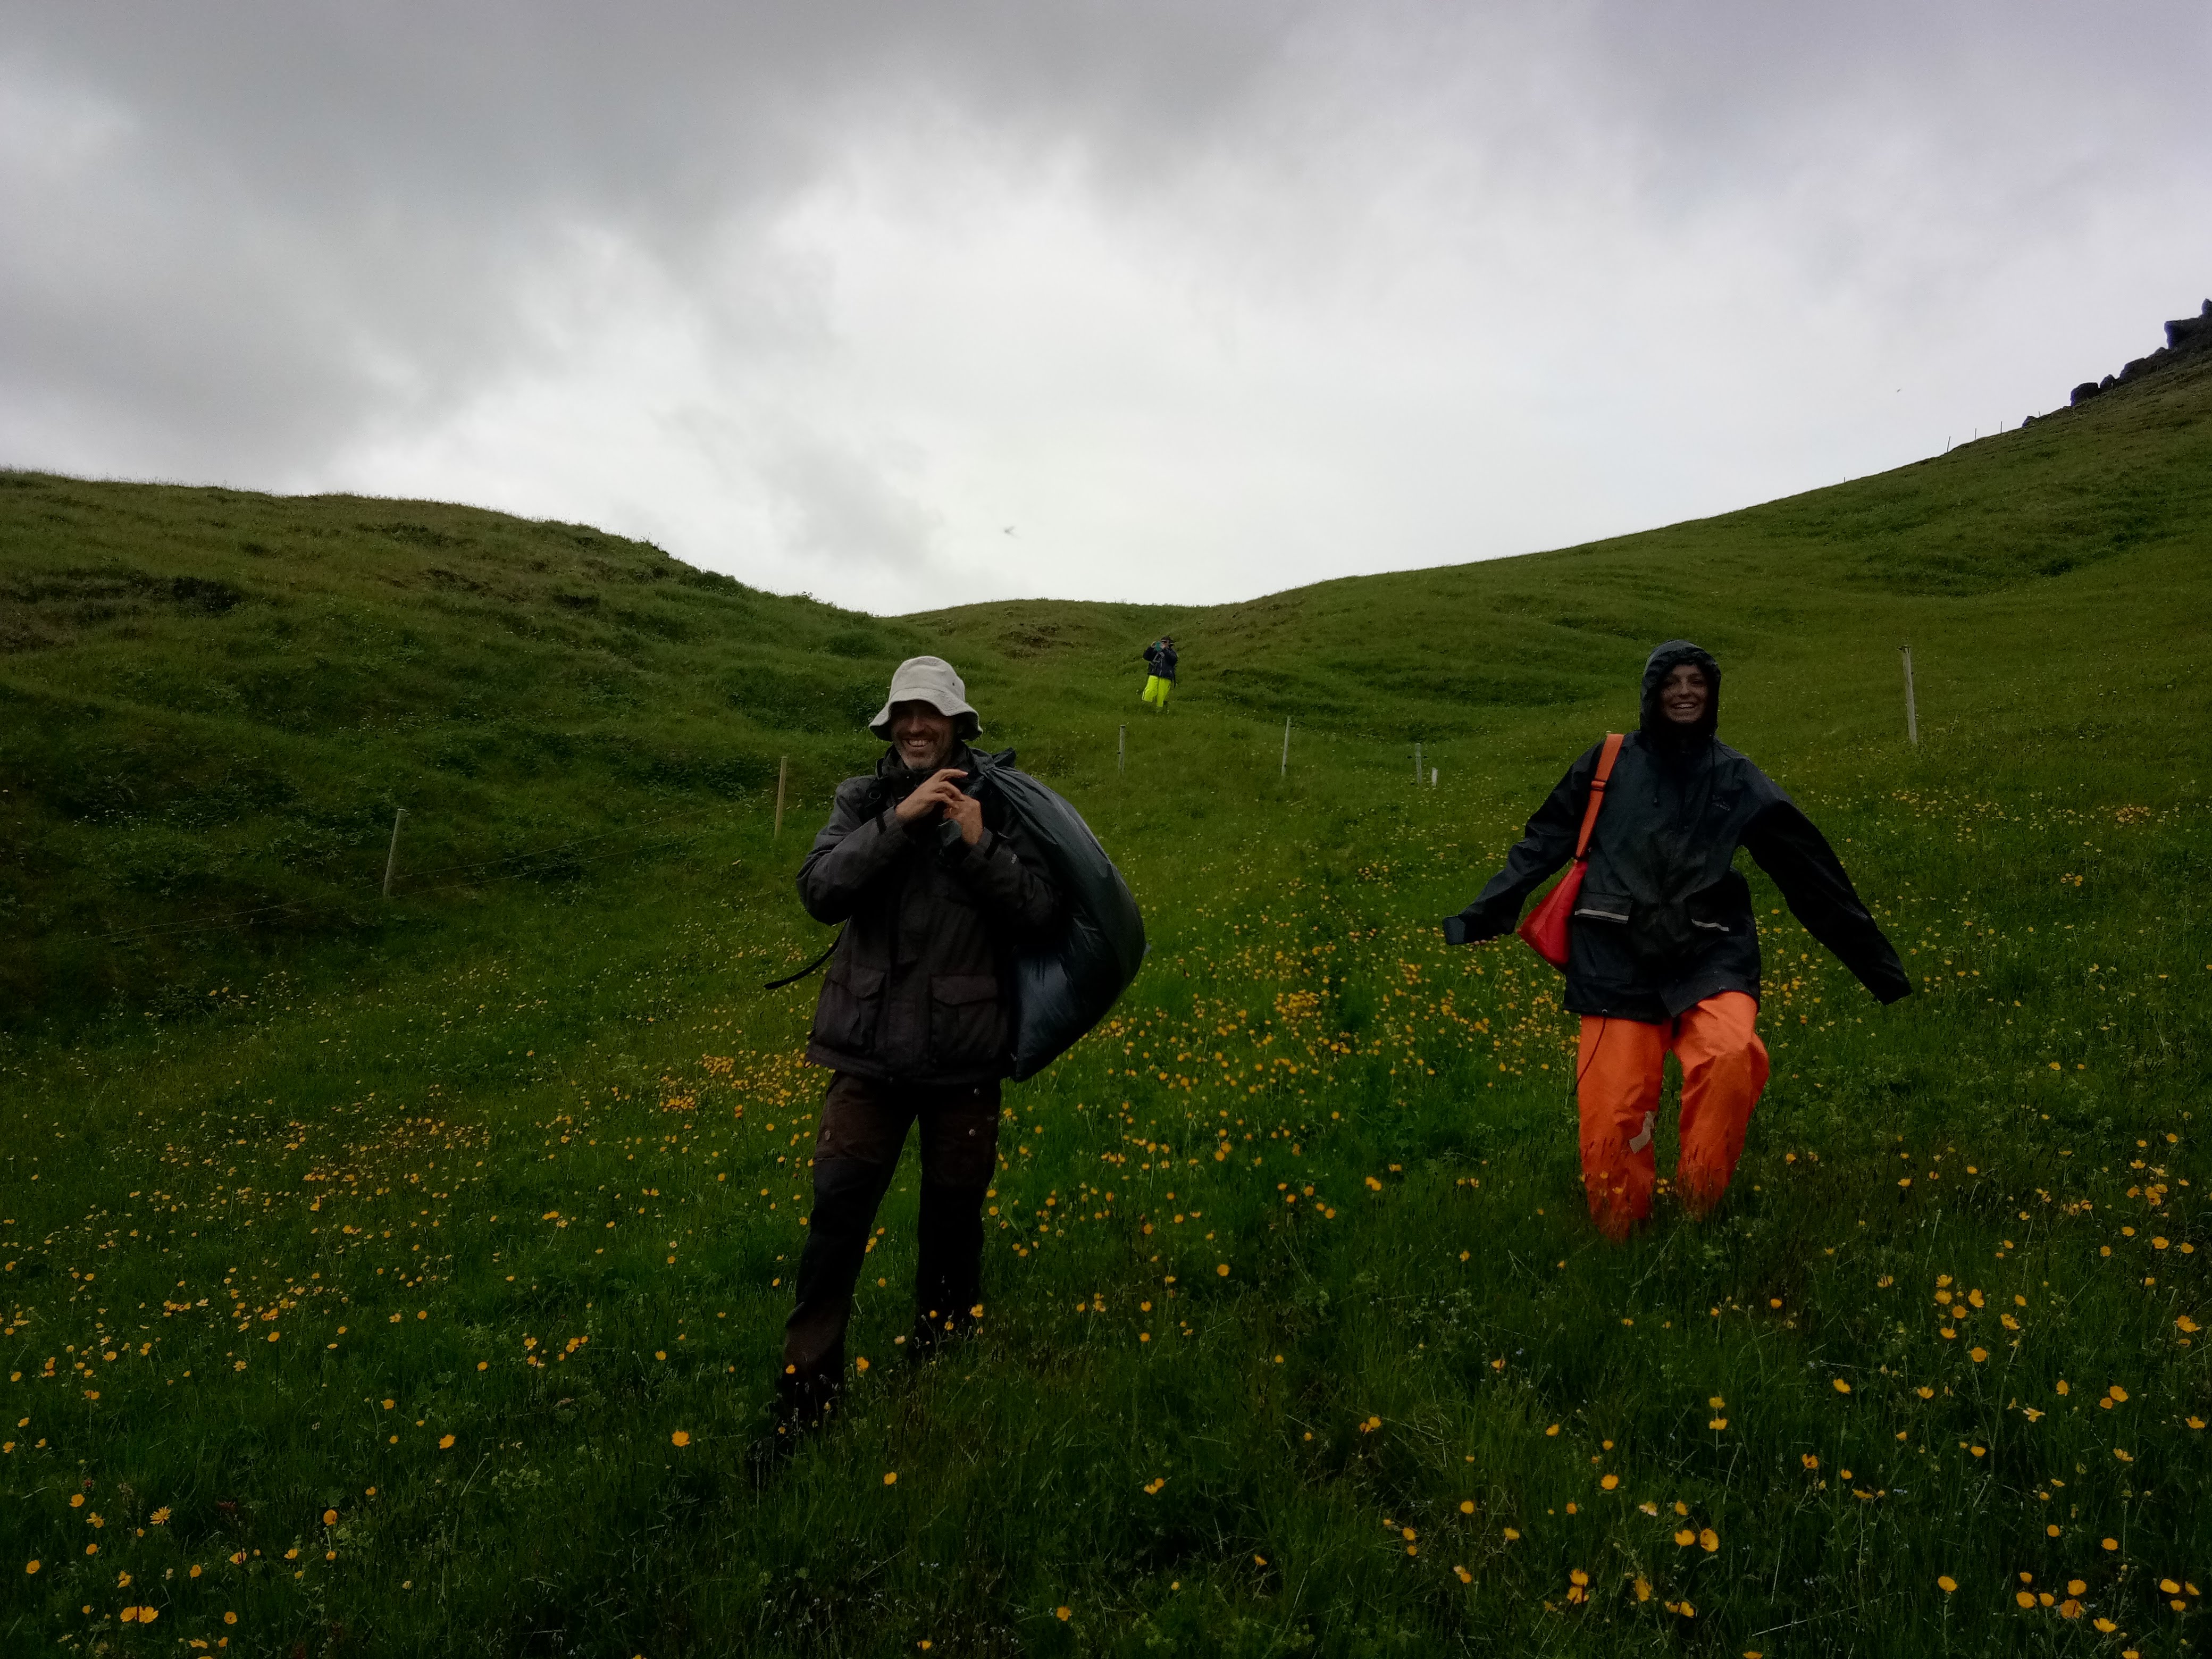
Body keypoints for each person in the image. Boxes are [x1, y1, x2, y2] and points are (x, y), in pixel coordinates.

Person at [1443, 641, 1911, 1239]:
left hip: (1710, 951)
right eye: (1672, 681)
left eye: (1697, 682)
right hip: (1613, 954)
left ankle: (1698, 1208)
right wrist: (1484, 912)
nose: (1685, 692)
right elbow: (1543, 840)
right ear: (1651, 691)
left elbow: (1807, 870)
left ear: (1712, 694)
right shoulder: (1608, 762)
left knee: (1731, 1057)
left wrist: (1877, 968)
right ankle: (1620, 1234)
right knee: (1613, 1109)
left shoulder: (1737, 777)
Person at [773, 656, 1060, 1438]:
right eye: (903, 715)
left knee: (953, 1220)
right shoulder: (861, 800)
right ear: (889, 727)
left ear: (960, 726)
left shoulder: (999, 807)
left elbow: (1041, 916)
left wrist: (977, 844)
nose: (915, 727)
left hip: (964, 1062)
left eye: (930, 714)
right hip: (864, 1059)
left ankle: (943, 1368)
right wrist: (897, 825)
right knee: (836, 1220)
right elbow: (820, 892)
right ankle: (806, 1396)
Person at [1140, 635, 1177, 711]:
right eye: (1162, 642)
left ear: (1169, 644)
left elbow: (1173, 660)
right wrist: (1151, 648)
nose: (1163, 643)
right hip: (1154, 673)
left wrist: (1165, 650)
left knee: (1162, 695)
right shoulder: (1157, 651)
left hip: (1166, 676)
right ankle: (1145, 708)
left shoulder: (1172, 653)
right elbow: (1146, 657)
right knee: (1150, 690)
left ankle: (1159, 711)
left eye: (1165, 642)